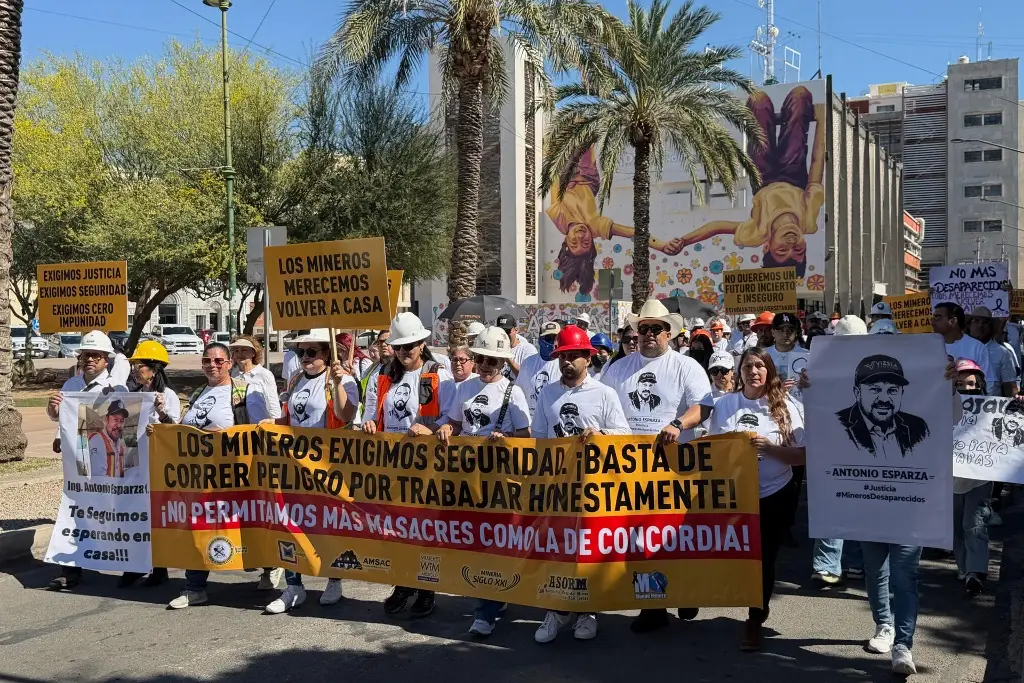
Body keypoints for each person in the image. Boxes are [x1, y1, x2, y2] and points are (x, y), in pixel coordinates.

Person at [598, 299, 714, 633]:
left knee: (677, 535)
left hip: (675, 467)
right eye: (644, 328)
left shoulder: (686, 366)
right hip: (628, 467)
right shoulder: (618, 368)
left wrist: (678, 423)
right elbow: (600, 404)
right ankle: (652, 606)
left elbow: (703, 406)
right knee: (639, 538)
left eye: (656, 328)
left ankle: (686, 591)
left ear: (669, 333)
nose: (649, 333)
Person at [532, 326, 629, 643]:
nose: (567, 362)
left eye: (574, 355)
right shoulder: (547, 394)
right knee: (558, 549)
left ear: (588, 357)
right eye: (562, 356)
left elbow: (624, 435)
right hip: (558, 487)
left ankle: (588, 611)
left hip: (593, 488)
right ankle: (556, 610)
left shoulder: (604, 394)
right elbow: (540, 438)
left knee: (588, 550)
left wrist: (601, 435)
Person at [707, 347, 806, 651]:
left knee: (763, 559)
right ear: (739, 372)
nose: (753, 371)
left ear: (769, 371)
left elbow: (802, 456)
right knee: (724, 552)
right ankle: (694, 594)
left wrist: (770, 449)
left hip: (773, 494)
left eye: (760, 366)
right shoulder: (725, 405)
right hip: (733, 495)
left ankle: (755, 618)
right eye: (747, 366)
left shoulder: (786, 406)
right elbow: (712, 448)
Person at [669, 87, 825, 277]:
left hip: (763, 177)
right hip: (793, 173)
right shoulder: (809, 221)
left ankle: (761, 111)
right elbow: (817, 165)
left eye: (782, 250)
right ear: (805, 245)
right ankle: (795, 107)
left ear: (767, 246)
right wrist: (823, 122)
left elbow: (717, 227)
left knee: (758, 101)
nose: (791, 244)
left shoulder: (756, 233)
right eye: (798, 250)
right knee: (800, 97)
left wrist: (684, 241)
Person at [437, 327, 531, 637]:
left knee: (493, 542)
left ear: (503, 362)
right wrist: (447, 428)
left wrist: (507, 438)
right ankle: (493, 596)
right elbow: (454, 421)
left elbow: (526, 435)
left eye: (493, 361)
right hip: (466, 476)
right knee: (476, 542)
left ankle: (485, 612)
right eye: (481, 359)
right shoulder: (464, 388)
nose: (486, 366)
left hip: (498, 479)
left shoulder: (512, 391)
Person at [363, 312, 456, 618]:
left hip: (426, 466)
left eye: (410, 346)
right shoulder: (382, 376)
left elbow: (450, 417)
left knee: (425, 528)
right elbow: (370, 412)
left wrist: (432, 429)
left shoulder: (438, 374)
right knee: (397, 528)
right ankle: (403, 582)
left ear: (422, 345)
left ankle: (427, 587)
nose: (404, 351)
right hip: (392, 464)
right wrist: (368, 424)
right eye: (399, 346)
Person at [263, 329, 360, 613]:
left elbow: (346, 415)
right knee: (291, 523)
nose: (305, 357)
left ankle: (333, 579)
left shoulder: (342, 380)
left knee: (327, 525)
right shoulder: (295, 380)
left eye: (311, 352)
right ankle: (294, 585)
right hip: (294, 466)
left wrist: (339, 384)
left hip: (327, 468)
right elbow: (289, 417)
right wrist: (270, 423)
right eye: (300, 352)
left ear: (327, 354)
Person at [168, 342, 271, 609]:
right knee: (198, 526)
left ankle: (270, 567)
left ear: (229, 364)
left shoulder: (245, 392)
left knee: (247, 525)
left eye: (218, 361)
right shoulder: (199, 392)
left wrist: (223, 438)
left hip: (233, 475)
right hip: (198, 476)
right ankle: (195, 587)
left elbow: (259, 432)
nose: (212, 365)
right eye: (207, 361)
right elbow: (184, 428)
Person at [45, 330, 128, 592]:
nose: (89, 359)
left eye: (95, 355)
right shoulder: (71, 384)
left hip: (104, 462)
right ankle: (70, 570)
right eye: (86, 355)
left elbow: (123, 425)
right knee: (74, 512)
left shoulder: (117, 388)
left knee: (113, 513)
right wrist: (54, 413)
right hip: (77, 461)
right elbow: (60, 417)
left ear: (106, 359)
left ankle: (131, 564)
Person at [545, 146, 689, 294]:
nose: (580, 235)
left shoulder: (559, 220)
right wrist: (661, 246)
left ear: (566, 241)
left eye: (574, 243)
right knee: (583, 139)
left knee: (557, 146)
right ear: (593, 242)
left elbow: (554, 186)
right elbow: (634, 233)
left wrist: (552, 160)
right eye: (586, 242)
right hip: (586, 176)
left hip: (563, 177)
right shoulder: (596, 227)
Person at [118, 340, 181, 588]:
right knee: (134, 515)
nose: (135, 370)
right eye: (134, 366)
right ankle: (135, 565)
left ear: (154, 369)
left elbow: (175, 430)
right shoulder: (132, 395)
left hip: (156, 466)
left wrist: (162, 413)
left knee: (155, 517)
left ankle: (159, 567)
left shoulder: (168, 396)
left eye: (140, 366)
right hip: (134, 464)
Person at [810, 316, 867, 589]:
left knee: (860, 502)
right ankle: (827, 565)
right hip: (832, 445)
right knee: (832, 503)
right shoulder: (822, 368)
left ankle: (855, 560)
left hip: (867, 445)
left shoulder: (876, 366)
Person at [952, 358, 993, 597]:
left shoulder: (992, 409)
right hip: (950, 480)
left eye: (970, 384)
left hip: (979, 479)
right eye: (960, 384)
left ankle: (975, 573)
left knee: (974, 524)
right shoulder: (942, 406)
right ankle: (964, 566)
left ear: (979, 384)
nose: (966, 388)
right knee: (955, 527)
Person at [932, 302, 991, 393]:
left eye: (938, 317)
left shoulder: (977, 347)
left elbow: (988, 382)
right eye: (933, 318)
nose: (932, 322)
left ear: (953, 321)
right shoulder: (928, 347)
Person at [967, 307, 1018, 397]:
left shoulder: (1003, 353)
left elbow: (1009, 386)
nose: (980, 325)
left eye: (985, 322)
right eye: (976, 321)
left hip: (991, 405)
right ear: (969, 325)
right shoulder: (957, 348)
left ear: (991, 327)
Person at [515, 321, 562, 419]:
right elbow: (518, 393)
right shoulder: (528, 363)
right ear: (540, 340)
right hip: (531, 421)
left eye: (555, 338)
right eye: (548, 338)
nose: (552, 342)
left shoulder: (564, 364)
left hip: (555, 420)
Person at [229, 336, 282, 420]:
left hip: (260, 426)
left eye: (244, 350)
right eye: (236, 351)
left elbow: (273, 404)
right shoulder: (232, 373)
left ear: (253, 353)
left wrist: (274, 423)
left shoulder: (264, 374)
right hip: (238, 426)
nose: (239, 354)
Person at [766, 312, 809, 388]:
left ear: (796, 332)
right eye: (780, 330)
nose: (785, 334)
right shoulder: (763, 354)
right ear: (773, 332)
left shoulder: (807, 355)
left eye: (790, 330)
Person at [496, 314, 537, 381]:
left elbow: (528, 377)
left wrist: (508, 360)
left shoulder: (527, 349)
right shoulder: (496, 348)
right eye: (501, 331)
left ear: (516, 330)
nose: (504, 335)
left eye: (507, 331)